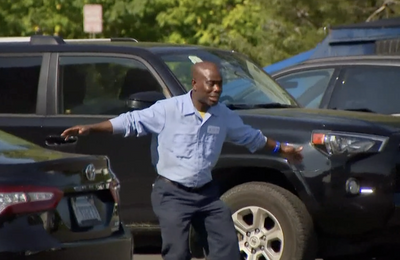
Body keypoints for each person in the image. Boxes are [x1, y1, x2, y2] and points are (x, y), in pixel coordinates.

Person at [61, 61, 303, 260]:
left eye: (219, 84)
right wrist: (92, 128)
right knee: (176, 253)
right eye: (211, 84)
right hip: (172, 194)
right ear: (195, 84)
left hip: (206, 195)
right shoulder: (168, 110)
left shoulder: (223, 115)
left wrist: (283, 150)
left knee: (228, 248)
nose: (217, 89)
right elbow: (131, 122)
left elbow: (252, 138)